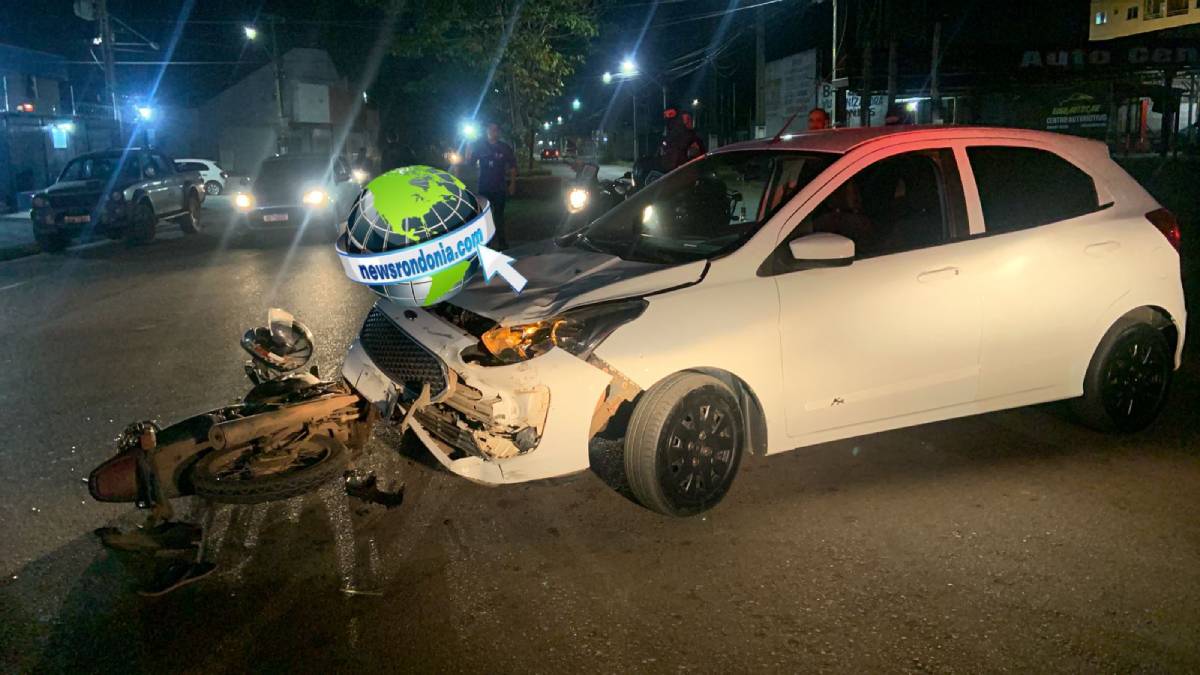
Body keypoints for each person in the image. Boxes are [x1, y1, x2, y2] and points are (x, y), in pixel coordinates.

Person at [466, 122, 517, 249]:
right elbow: (470, 163)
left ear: (498, 132)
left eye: (496, 130)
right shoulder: (480, 147)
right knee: (485, 216)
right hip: (484, 187)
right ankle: (487, 243)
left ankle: (502, 242)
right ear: (487, 132)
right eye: (491, 130)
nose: (493, 132)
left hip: (499, 187)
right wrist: (468, 147)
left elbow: (512, 167)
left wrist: (512, 184)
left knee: (499, 216)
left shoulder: (504, 148)